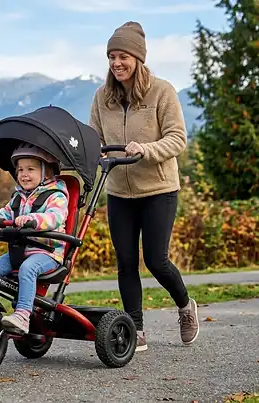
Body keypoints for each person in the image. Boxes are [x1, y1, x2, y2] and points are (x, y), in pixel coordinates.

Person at [88, 21, 199, 352]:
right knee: (125, 260)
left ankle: (185, 306)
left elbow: (177, 138)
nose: (116, 63)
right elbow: (94, 139)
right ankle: (135, 329)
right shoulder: (102, 97)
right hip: (119, 191)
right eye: (111, 57)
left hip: (158, 190)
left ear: (138, 58)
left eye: (122, 56)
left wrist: (145, 150)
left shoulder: (162, 91)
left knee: (156, 260)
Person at [0, 143, 69, 334]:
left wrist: (33, 220)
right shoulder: (18, 198)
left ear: (46, 172)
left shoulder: (56, 196)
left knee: (28, 268)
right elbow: (1, 216)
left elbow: (55, 218)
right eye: (20, 170)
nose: (24, 174)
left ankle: (23, 315)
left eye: (31, 169)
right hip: (19, 252)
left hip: (48, 254)